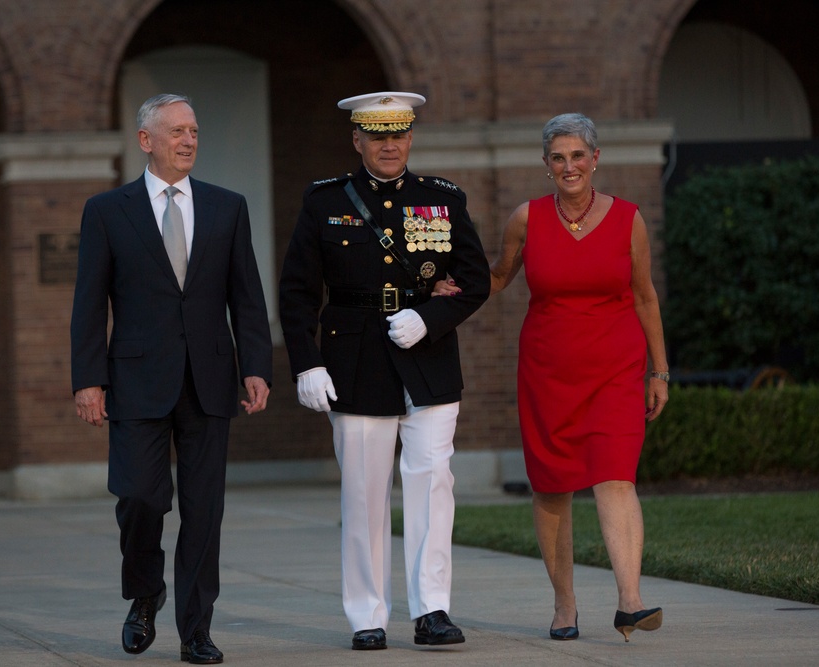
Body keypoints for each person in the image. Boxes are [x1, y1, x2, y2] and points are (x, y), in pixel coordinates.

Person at [435, 112, 668, 642]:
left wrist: (660, 370)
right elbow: (497, 278)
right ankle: (565, 606)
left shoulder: (629, 218)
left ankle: (630, 601)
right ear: (546, 165)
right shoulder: (527, 219)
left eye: (578, 156)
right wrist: (457, 287)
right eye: (558, 158)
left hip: (616, 367)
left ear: (595, 159)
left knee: (616, 474)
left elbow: (645, 296)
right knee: (552, 485)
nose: (569, 166)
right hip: (547, 370)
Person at [278, 91, 490, 651]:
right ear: (357, 140)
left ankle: (433, 610)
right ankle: (366, 614)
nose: (389, 144)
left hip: (428, 358)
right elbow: (298, 291)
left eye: (398, 133)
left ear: (411, 137)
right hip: (354, 359)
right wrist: (307, 362)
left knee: (431, 487)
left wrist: (430, 316)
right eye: (377, 135)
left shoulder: (442, 199)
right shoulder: (324, 201)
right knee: (365, 495)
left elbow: (475, 277)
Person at [70, 93, 272, 664]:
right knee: (138, 497)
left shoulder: (227, 207)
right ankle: (144, 592)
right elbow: (88, 303)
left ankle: (195, 630)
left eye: (195, 132)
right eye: (177, 131)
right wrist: (88, 379)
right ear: (146, 140)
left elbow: (246, 295)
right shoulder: (108, 211)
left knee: (204, 511)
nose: (189, 140)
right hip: (135, 381)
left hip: (210, 378)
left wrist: (255, 366)